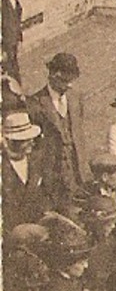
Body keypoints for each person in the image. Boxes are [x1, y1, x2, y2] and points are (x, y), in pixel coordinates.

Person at [28, 52, 86, 192]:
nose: (69, 85)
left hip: (78, 173)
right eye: (65, 81)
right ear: (53, 75)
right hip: (53, 176)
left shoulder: (76, 98)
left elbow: (78, 132)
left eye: (72, 80)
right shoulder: (35, 103)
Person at [2, 0, 23, 77]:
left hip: (12, 46)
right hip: (5, 48)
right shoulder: (2, 0)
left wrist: (18, 37)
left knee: (14, 73)